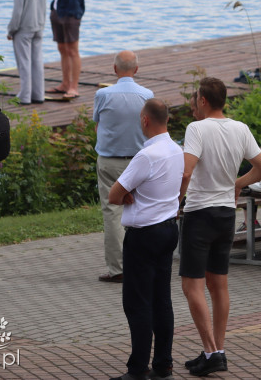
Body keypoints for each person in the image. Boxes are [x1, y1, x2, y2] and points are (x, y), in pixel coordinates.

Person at [179, 78, 261, 376]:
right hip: (226, 214)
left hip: (200, 213)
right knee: (218, 285)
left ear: (203, 101)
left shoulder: (197, 129)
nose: (193, 106)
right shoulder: (240, 128)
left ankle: (211, 350)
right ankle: (217, 349)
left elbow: (187, 170)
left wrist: (175, 199)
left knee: (191, 284)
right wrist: (238, 183)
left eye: (194, 100)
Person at [106, 98, 184, 380]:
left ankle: (138, 367)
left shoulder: (146, 156)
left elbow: (114, 194)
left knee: (138, 302)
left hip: (143, 236)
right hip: (167, 229)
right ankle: (164, 364)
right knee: (162, 299)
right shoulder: (177, 150)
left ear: (145, 120)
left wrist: (130, 195)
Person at [94, 50, 155, 283]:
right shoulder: (147, 95)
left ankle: (118, 268)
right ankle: (142, 263)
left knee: (112, 213)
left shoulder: (103, 94)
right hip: (141, 160)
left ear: (114, 69)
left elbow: (98, 125)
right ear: (137, 70)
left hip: (109, 161)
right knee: (143, 211)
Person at [7, 0, 47, 105]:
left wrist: (11, 30)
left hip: (23, 30)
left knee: (24, 63)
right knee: (37, 62)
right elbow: (43, 9)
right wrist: (41, 26)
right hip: (38, 28)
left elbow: (17, 13)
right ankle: (39, 94)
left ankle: (24, 96)